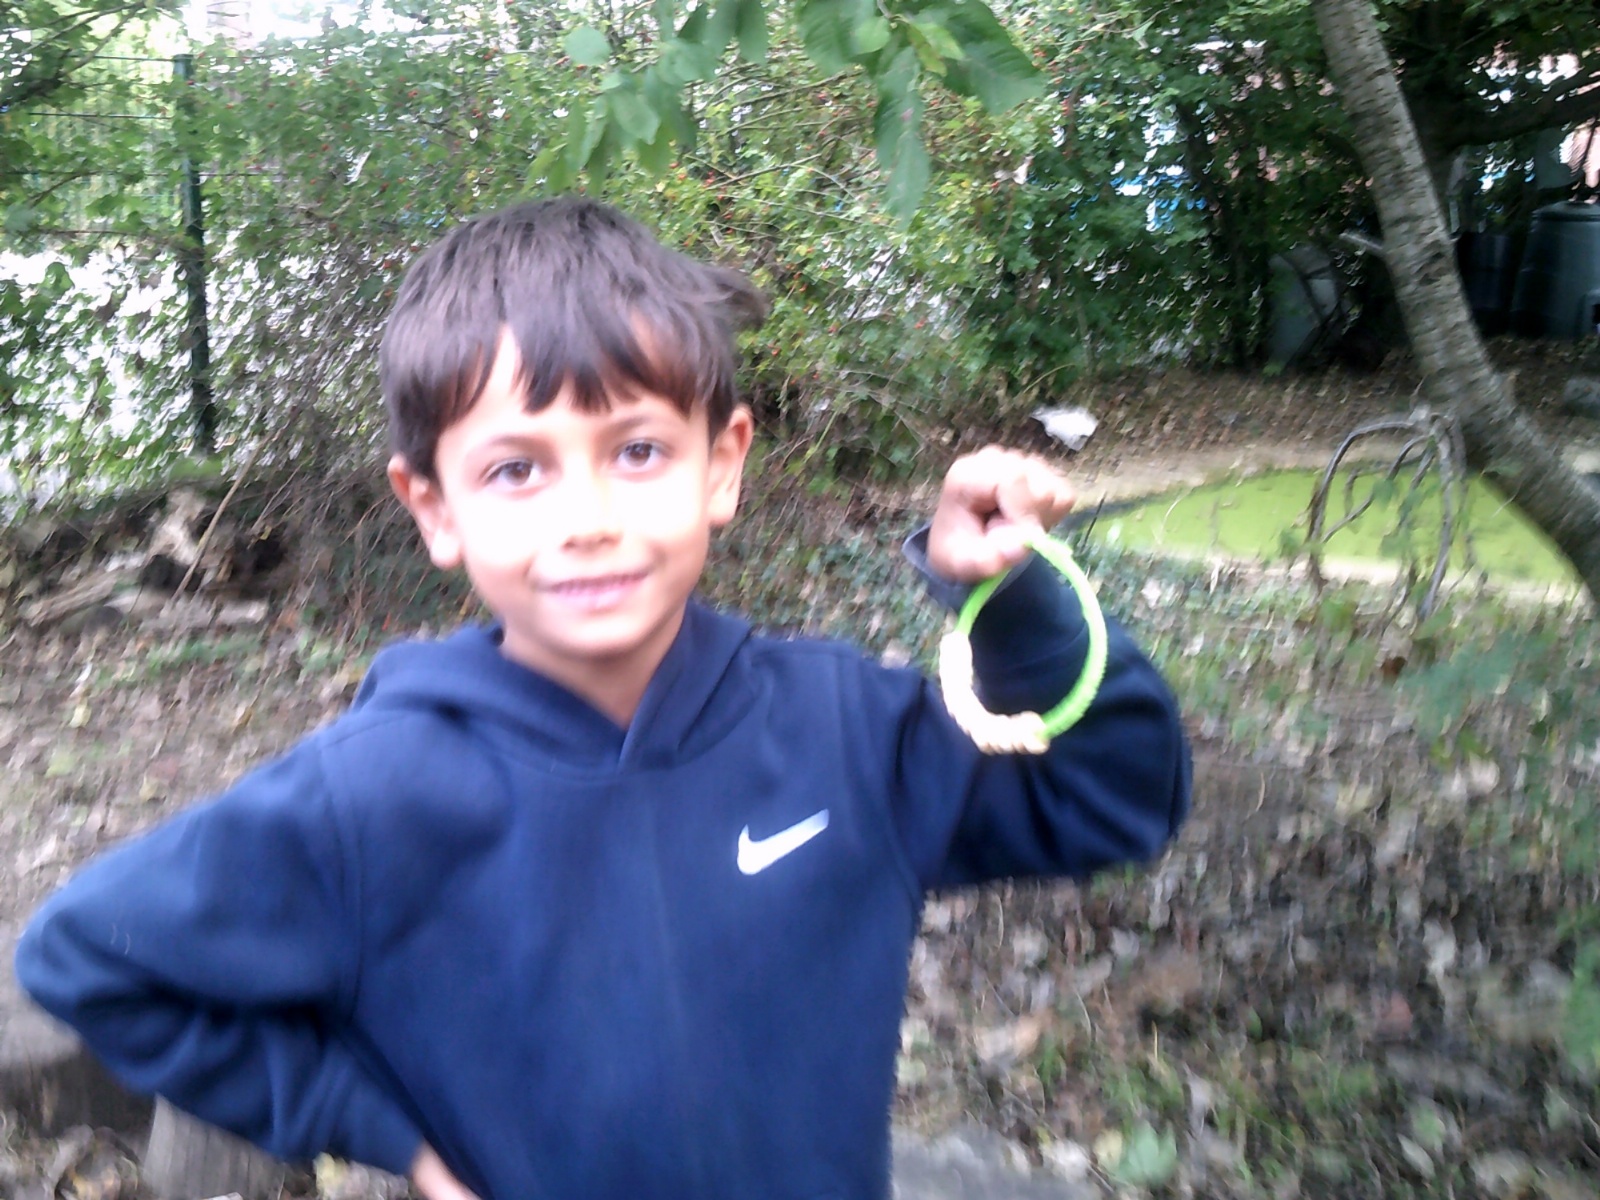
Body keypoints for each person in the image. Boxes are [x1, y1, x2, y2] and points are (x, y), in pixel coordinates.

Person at [15, 197, 1190, 1200]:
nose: (586, 517)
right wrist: (384, 1134)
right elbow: (90, 960)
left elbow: (1120, 796)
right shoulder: (371, 795)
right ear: (433, 509)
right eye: (515, 468)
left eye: (636, 451)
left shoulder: (843, 736)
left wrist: (1009, 599)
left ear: (721, 463)